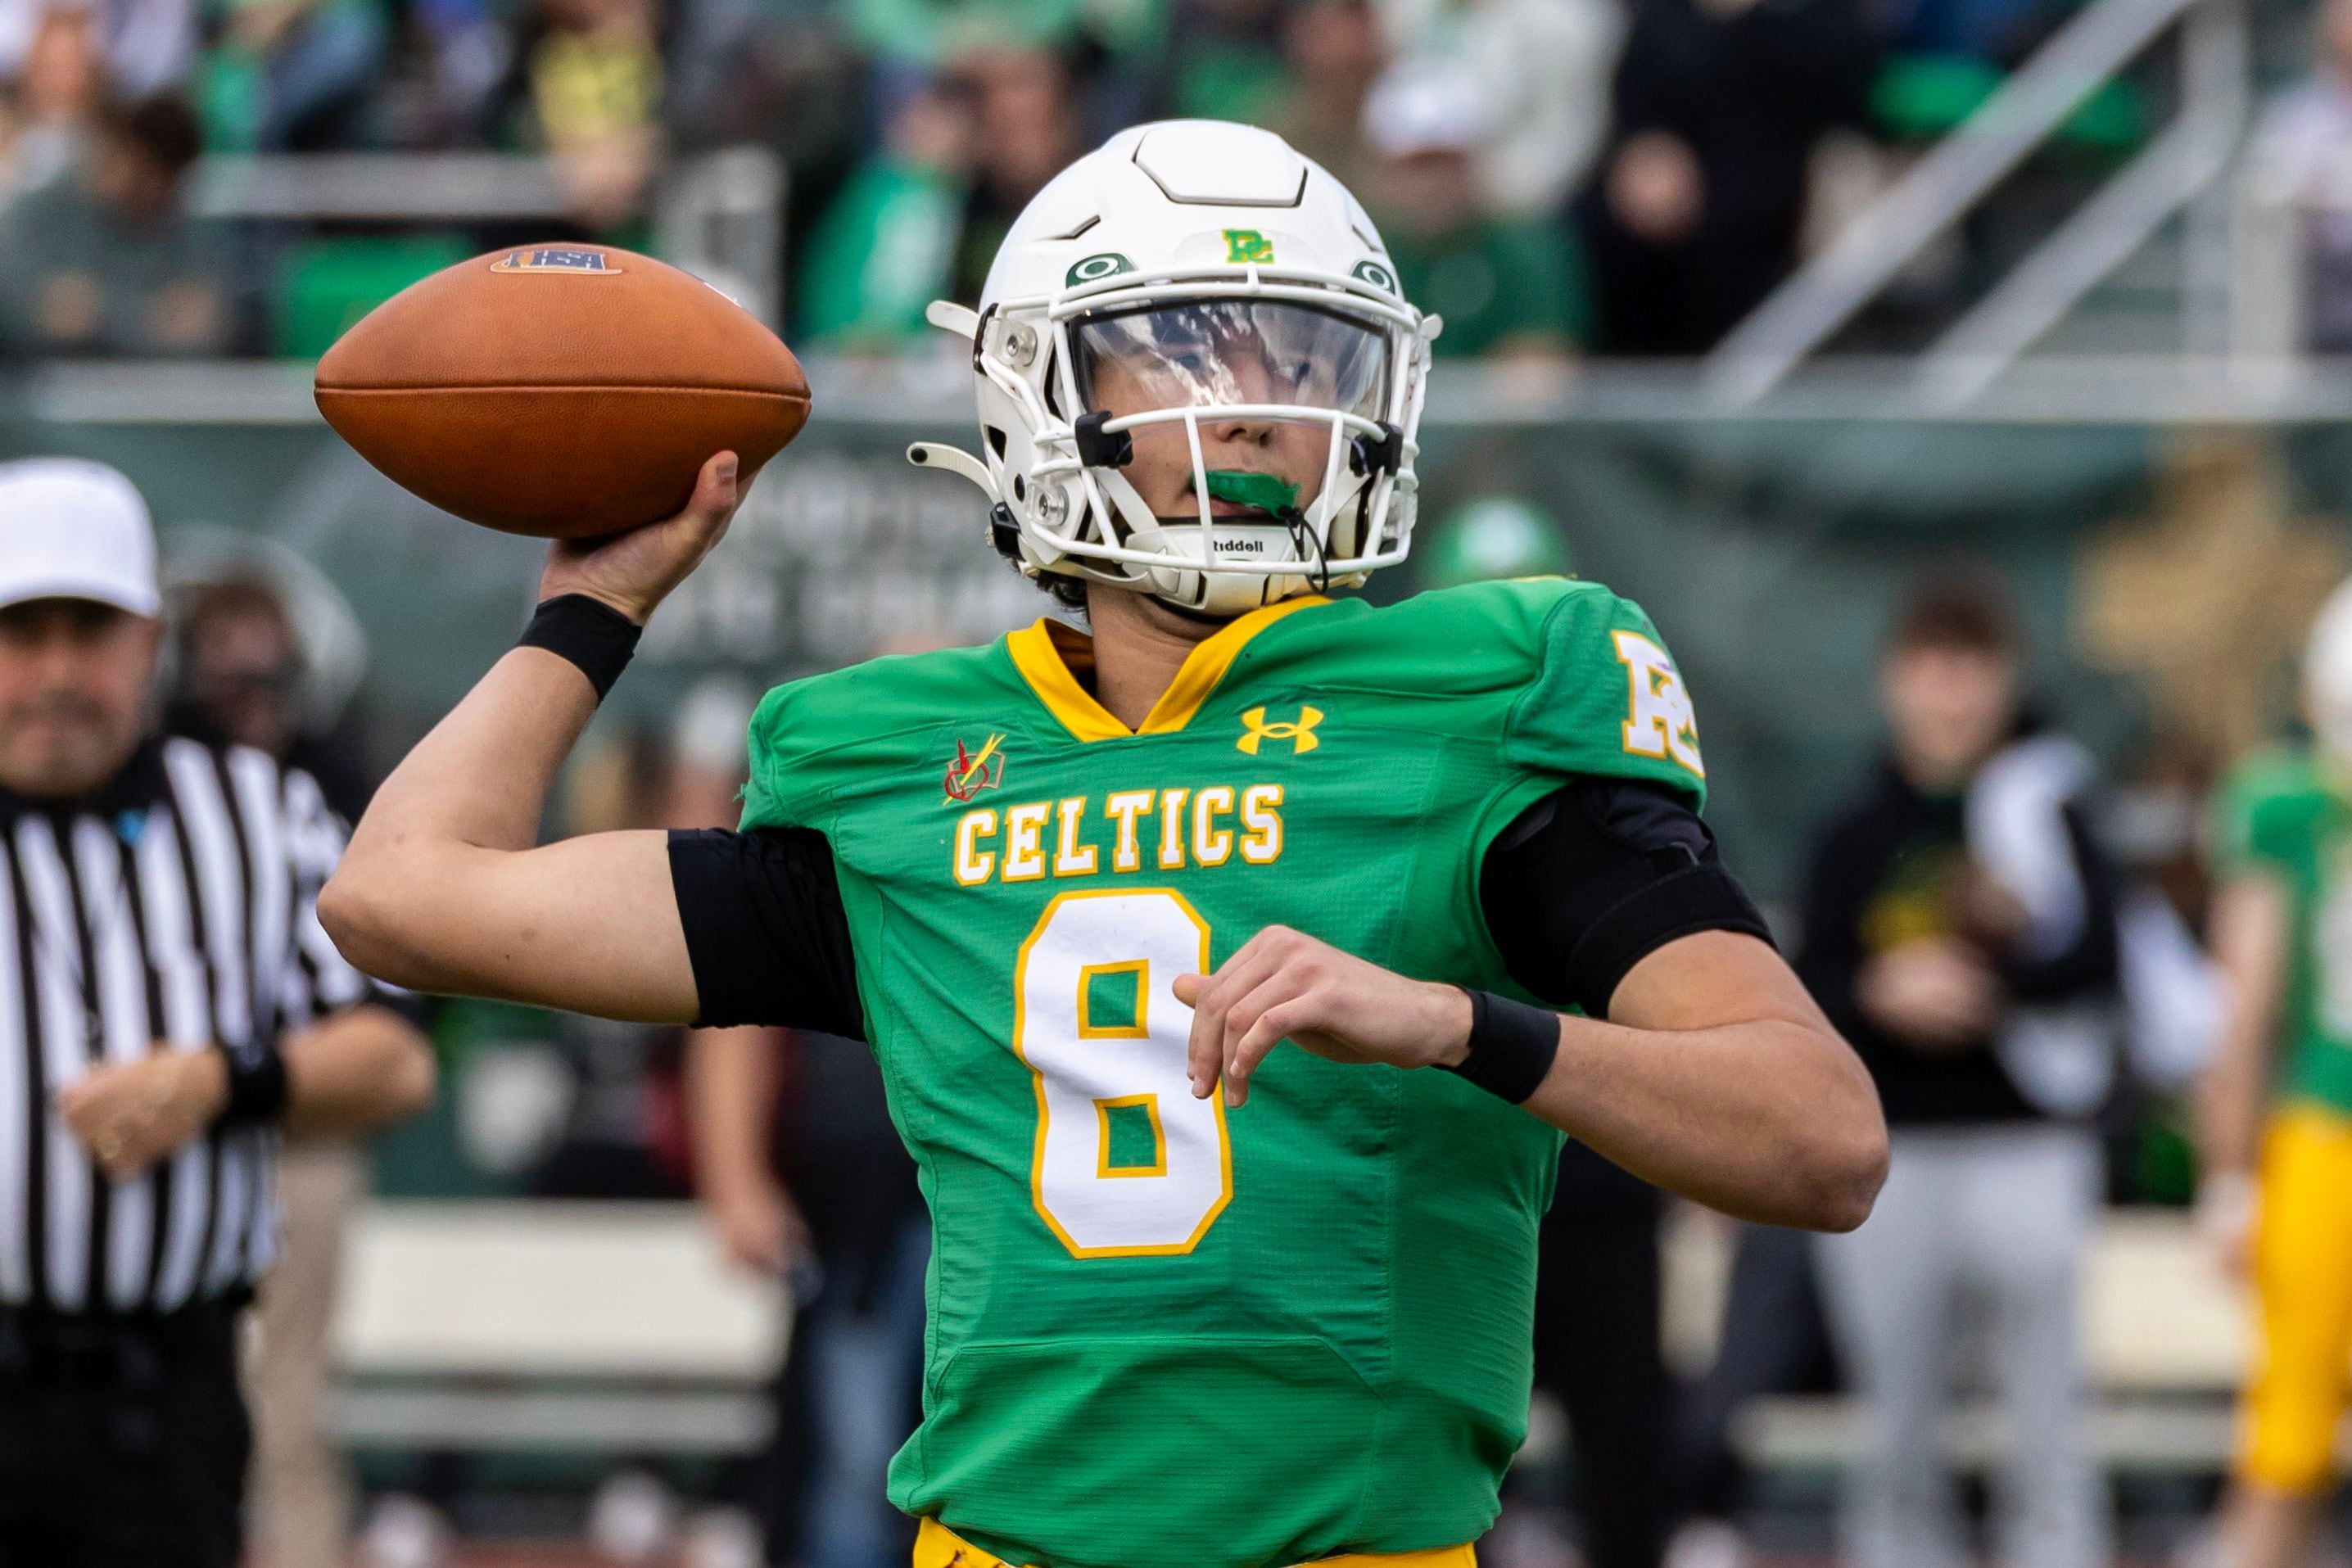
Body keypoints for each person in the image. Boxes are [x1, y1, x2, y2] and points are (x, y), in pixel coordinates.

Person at [319, 119, 1887, 1567]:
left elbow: (1816, 1139)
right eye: (1189, 348)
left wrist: (1454, 1023)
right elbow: (401, 897)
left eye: (1305, 352)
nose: (1258, 399)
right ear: (1034, 396)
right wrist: (592, 611)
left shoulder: (1475, 710)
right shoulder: (906, 772)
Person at [0, 457, 436, 1568]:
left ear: (150, 640)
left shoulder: (252, 810)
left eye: (89, 631)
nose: (56, 672)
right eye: (22, 633)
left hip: (162, 1399)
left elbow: (395, 1059)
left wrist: (219, 1081)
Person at [1798, 569, 2121, 1568]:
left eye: (1970, 668)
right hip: (1891, 1152)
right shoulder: (1853, 828)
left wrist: (1994, 982)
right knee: (1895, 1417)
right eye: (1931, 667)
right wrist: (1881, 992)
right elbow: (1804, 984)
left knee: (2047, 1413)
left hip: (2028, 1144)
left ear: (2005, 678)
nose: (1950, 693)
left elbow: (2105, 959)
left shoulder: (2049, 803)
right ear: (1895, 679)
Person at [2198, 576, 2352, 1568]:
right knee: (2288, 1433)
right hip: (2322, 1134)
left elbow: (2244, 1007)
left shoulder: (2286, 802)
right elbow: (2244, 1010)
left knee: (2288, 1436)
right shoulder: (2288, 807)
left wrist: (2228, 1174)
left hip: (2321, 1138)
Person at [0, 90, 229, 357]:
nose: (149, 192)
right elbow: (17, 311)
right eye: (140, 174)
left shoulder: (187, 230)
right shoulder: (39, 213)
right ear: (116, 150)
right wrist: (153, 318)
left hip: (150, 382)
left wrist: (95, 310)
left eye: (164, 185)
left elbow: (206, 328)